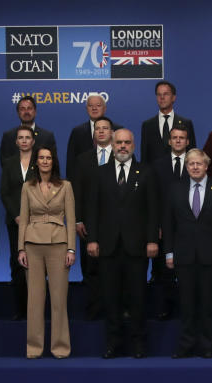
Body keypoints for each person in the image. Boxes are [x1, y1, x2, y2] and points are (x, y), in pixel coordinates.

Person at [86, 129, 159, 358]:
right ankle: (113, 343)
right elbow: (92, 209)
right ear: (112, 144)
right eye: (119, 142)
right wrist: (93, 239)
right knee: (111, 297)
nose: (123, 146)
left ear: (133, 145)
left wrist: (152, 240)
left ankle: (139, 344)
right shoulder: (99, 173)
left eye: (127, 142)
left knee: (137, 297)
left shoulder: (146, 172)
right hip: (107, 246)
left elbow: (153, 209)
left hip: (137, 246)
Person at [162, 148, 212, 358]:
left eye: (198, 164)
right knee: (186, 304)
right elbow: (168, 224)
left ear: (206, 166)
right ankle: (185, 345)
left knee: (208, 304)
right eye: (191, 164)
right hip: (183, 256)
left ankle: (207, 346)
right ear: (186, 167)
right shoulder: (175, 189)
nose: (195, 167)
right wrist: (168, 253)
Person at [18, 146, 76, 359]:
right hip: (32, 244)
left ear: (53, 161)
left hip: (58, 243)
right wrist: (20, 248)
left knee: (59, 299)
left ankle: (60, 347)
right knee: (34, 300)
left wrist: (71, 248)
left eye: (48, 158)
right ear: (36, 162)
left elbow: (70, 217)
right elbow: (23, 218)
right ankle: (34, 348)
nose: (44, 161)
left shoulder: (65, 186)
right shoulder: (27, 186)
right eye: (41, 158)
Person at [69, 116, 115, 320]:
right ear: (94, 134)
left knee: (114, 269)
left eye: (106, 128)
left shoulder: (122, 156)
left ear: (112, 133)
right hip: (88, 223)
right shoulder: (83, 159)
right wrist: (77, 220)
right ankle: (94, 309)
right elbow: (76, 192)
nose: (102, 131)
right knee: (90, 268)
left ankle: (115, 308)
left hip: (116, 224)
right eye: (98, 129)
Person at [150, 123, 192, 320]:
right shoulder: (158, 165)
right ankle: (164, 307)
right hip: (164, 226)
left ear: (187, 141)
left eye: (181, 138)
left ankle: (186, 308)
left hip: (189, 227)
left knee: (187, 271)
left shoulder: (195, 163)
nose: (178, 141)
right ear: (169, 141)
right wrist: (156, 225)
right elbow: (153, 198)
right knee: (163, 271)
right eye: (174, 137)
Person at [0, 125, 36, 319]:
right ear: (16, 142)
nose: (23, 140)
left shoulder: (41, 163)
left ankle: (35, 310)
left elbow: (46, 190)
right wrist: (16, 215)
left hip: (37, 222)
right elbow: (4, 192)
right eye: (20, 138)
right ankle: (19, 310)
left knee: (36, 266)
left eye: (27, 137)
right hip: (15, 222)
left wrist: (31, 215)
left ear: (33, 141)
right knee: (17, 264)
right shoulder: (9, 163)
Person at [140, 81, 196, 165]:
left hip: (179, 173)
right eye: (159, 94)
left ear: (173, 97)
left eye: (166, 94)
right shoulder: (147, 125)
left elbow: (192, 153)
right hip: (154, 175)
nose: (162, 97)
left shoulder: (186, 123)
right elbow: (144, 156)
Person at [65, 94, 107, 184]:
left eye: (98, 105)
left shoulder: (117, 130)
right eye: (90, 106)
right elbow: (71, 164)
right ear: (86, 109)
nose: (94, 108)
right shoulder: (77, 132)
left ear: (104, 108)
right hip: (85, 185)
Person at [0, 95, 57, 160]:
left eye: (29, 108)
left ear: (35, 112)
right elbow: (5, 164)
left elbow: (53, 163)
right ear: (18, 113)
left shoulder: (47, 137)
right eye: (22, 109)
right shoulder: (9, 136)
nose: (26, 112)